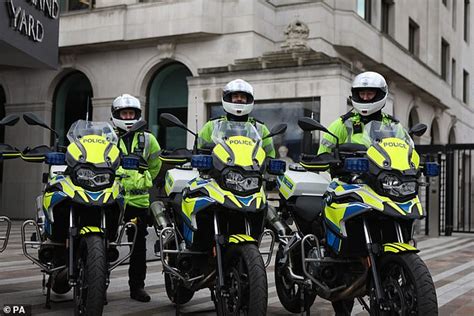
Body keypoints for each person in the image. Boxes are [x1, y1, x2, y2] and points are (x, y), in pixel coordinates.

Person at [111, 94, 162, 302]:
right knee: (103, 243)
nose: (129, 116)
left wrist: (144, 178)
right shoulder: (108, 137)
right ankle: (97, 284)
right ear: (116, 115)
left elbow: (155, 164)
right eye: (125, 113)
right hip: (112, 198)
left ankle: (137, 287)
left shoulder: (148, 139)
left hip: (138, 201)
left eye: (132, 113)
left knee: (138, 249)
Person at [318, 71, 398, 155]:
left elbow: (408, 153)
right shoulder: (342, 124)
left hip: (387, 167)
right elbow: (322, 157)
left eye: (370, 94)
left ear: (380, 94)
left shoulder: (393, 125)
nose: (365, 98)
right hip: (349, 168)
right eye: (362, 94)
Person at [198, 79, 276, 158]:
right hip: (217, 169)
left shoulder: (260, 128)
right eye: (235, 96)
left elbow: (270, 155)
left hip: (253, 168)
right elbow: (198, 149)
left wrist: (269, 161)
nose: (239, 99)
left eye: (243, 96)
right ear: (228, 98)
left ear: (248, 99)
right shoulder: (212, 126)